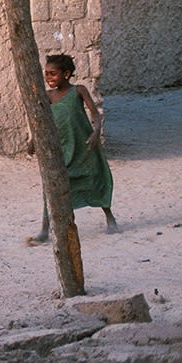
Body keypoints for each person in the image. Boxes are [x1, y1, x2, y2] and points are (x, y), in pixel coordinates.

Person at [28, 53, 117, 244]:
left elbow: (94, 113)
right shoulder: (48, 96)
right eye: (46, 74)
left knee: (95, 178)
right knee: (50, 186)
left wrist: (96, 132)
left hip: (83, 147)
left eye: (53, 74)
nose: (49, 78)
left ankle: (109, 217)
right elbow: (40, 120)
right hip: (62, 149)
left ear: (66, 74)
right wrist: (33, 139)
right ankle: (45, 230)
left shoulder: (79, 91)